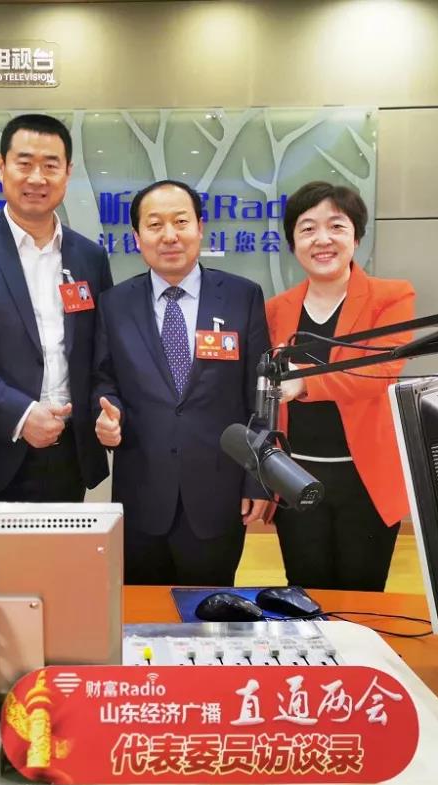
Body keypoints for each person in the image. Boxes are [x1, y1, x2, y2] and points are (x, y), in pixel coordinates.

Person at [92, 179, 270, 586]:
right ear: (137, 237)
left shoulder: (242, 297)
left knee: (210, 609)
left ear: (200, 228)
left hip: (218, 495)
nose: (169, 235)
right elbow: (103, 380)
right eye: (155, 225)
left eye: (181, 221)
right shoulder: (115, 304)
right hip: (142, 494)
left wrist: (257, 480)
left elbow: (260, 399)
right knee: (141, 612)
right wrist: (106, 415)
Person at [0, 114, 112, 502]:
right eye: (24, 163)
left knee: (68, 546)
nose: (37, 178)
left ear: (68, 172)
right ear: (1, 166)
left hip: (69, 452)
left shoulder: (89, 258)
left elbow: (102, 350)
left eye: (50, 165)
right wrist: (21, 414)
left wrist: (105, 411)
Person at [265, 181, 415, 591]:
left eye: (336, 226)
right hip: (294, 477)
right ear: (293, 242)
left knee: (363, 596)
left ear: (356, 236)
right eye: (307, 228)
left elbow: (379, 371)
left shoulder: (391, 297)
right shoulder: (276, 309)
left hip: (364, 479)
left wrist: (302, 383)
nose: (322, 239)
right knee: (304, 592)